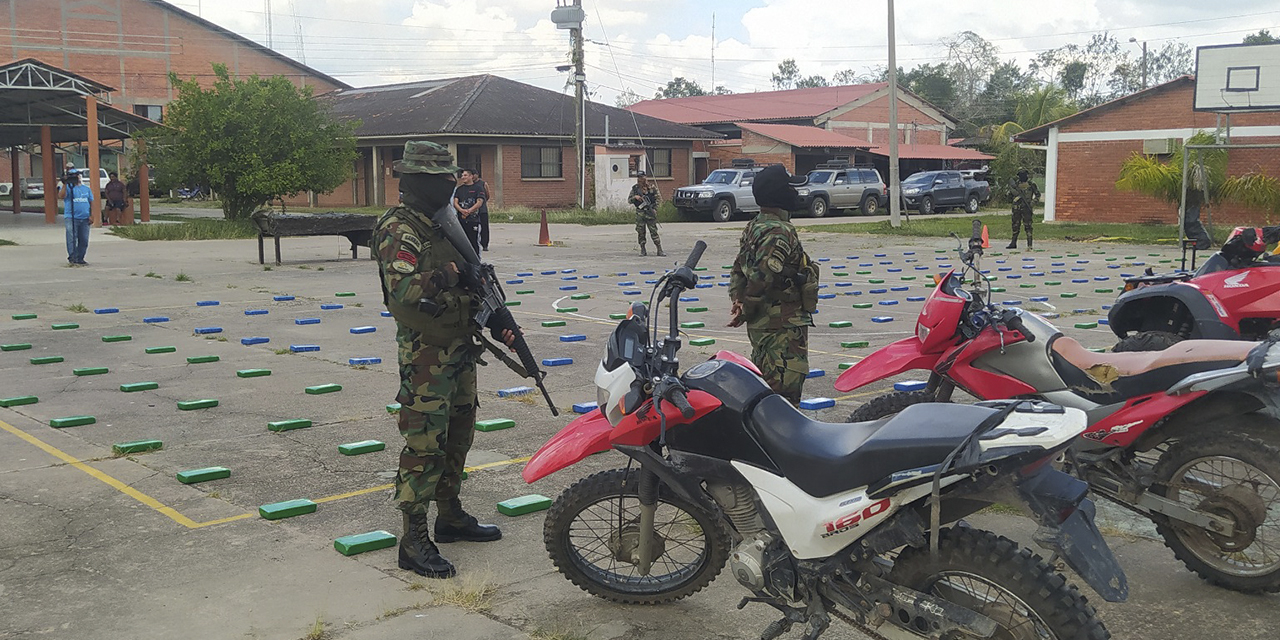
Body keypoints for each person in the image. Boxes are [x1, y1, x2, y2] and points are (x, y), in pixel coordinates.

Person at [374, 141, 514, 580]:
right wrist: (453, 275)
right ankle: (413, 539)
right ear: (415, 183)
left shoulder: (442, 224)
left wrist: (498, 318)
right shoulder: (401, 229)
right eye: (441, 180)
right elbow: (404, 292)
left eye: (450, 179)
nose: (450, 186)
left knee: (458, 435)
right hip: (425, 355)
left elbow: (473, 280)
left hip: (459, 348)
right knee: (424, 446)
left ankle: (449, 515)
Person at [728, 165, 819, 405]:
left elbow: (739, 268)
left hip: (765, 324)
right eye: (789, 187)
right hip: (780, 326)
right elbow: (763, 276)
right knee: (784, 397)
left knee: (765, 384)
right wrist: (745, 307)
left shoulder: (755, 226)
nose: (793, 192)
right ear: (779, 194)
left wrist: (738, 302)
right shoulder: (779, 230)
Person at [63, 170, 94, 266]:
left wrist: (92, 215)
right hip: (71, 217)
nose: (75, 177)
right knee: (71, 238)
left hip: (85, 218)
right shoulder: (68, 188)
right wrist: (65, 184)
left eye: (76, 175)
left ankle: (80, 257)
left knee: (84, 239)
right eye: (72, 175)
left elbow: (91, 202)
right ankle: (73, 257)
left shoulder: (86, 189)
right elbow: (61, 196)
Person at [629, 171, 664, 256]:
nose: (640, 179)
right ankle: (643, 249)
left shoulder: (652, 188)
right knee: (641, 231)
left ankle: (659, 249)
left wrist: (655, 209)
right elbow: (629, 200)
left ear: (645, 177)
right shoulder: (635, 188)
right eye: (639, 177)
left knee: (654, 231)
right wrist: (635, 197)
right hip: (640, 213)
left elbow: (658, 199)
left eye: (642, 177)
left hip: (650, 212)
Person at [451, 169, 485, 255]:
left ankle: (476, 261)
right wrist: (461, 210)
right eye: (462, 175)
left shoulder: (478, 188)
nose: (463, 177)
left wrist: (469, 211)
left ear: (471, 176)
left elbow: (479, 202)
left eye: (465, 175)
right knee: (462, 242)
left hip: (473, 220)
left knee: (474, 241)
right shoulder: (459, 189)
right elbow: (455, 202)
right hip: (461, 220)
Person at [1006, 168, 1040, 250]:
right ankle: (1013, 243)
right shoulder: (1015, 185)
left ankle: (1029, 244)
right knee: (1015, 225)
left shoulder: (1031, 184)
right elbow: (1009, 195)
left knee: (1028, 226)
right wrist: (1011, 191)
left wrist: (1032, 203)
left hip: (1027, 208)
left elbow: (1037, 195)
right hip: (1016, 208)